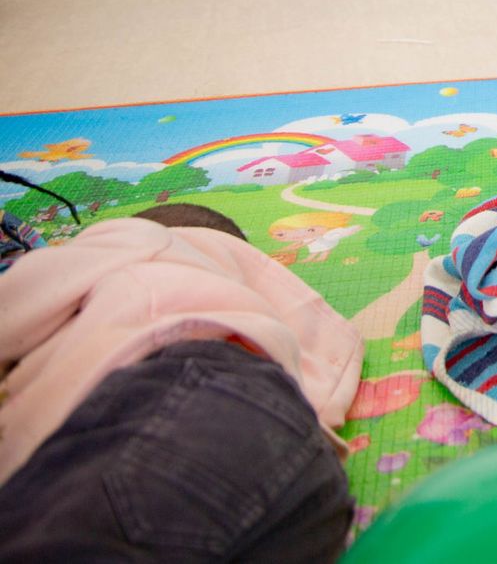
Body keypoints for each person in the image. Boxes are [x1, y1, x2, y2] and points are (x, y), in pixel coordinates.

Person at [0, 203, 362, 562]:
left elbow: (13, 307)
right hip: (306, 476)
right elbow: (332, 376)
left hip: (181, 408)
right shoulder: (267, 304)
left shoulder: (138, 241)